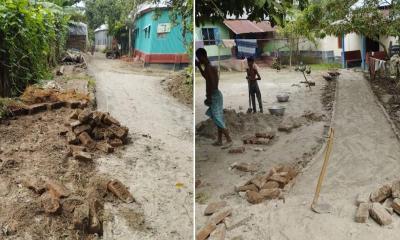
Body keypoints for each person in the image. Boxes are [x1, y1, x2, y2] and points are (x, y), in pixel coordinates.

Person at [196, 48, 232, 147]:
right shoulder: (209, 67)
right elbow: (206, 77)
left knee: (217, 119)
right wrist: (199, 66)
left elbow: (212, 83)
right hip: (215, 95)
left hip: (214, 95)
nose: (199, 60)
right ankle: (220, 140)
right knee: (218, 119)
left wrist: (209, 96)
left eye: (199, 58)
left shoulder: (209, 68)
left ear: (203, 56)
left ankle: (229, 140)